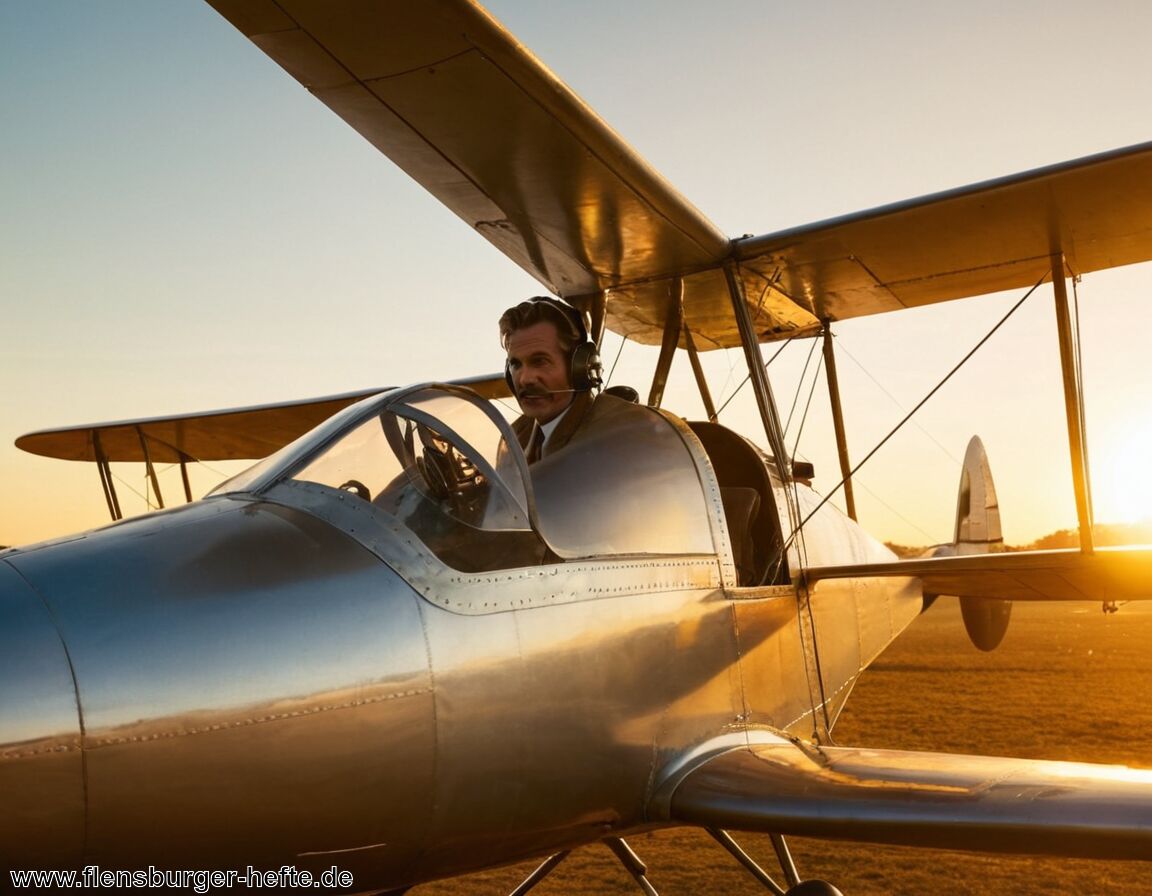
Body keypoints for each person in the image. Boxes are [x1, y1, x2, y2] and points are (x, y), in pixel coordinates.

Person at [499, 297, 603, 462]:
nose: (525, 379)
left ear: (579, 367)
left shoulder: (613, 437)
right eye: (516, 364)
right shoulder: (514, 438)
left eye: (539, 361)